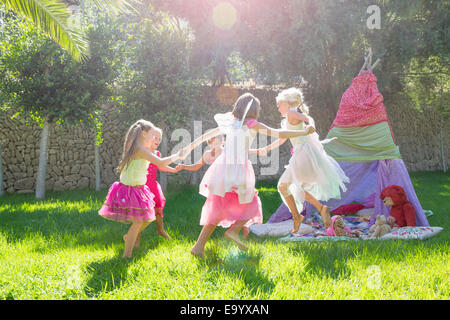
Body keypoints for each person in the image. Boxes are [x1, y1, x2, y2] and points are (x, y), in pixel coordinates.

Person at [180, 92, 315, 257]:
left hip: (223, 168)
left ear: (238, 106)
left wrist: (188, 148)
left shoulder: (231, 122)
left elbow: (205, 136)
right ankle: (233, 231)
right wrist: (303, 132)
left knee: (218, 205)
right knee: (251, 203)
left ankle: (199, 247)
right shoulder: (251, 124)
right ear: (254, 110)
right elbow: (279, 133)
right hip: (237, 169)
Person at [255, 88, 349, 233]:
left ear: (287, 103)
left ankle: (297, 217)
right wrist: (267, 148)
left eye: (279, 105)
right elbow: (282, 138)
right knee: (296, 188)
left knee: (283, 186)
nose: (278, 108)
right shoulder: (288, 118)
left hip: (303, 153)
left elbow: (307, 118)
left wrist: (311, 125)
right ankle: (319, 208)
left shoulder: (292, 112)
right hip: (302, 153)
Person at [98, 119, 188, 258]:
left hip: (137, 188)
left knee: (146, 218)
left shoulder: (137, 147)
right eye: (153, 135)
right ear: (143, 134)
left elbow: (159, 162)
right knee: (140, 220)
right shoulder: (140, 150)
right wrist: (177, 155)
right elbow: (161, 162)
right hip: (131, 189)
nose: (154, 139)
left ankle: (129, 238)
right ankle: (126, 254)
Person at [145, 127, 182, 240]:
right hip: (143, 185)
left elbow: (160, 165)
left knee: (157, 209)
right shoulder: (143, 152)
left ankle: (160, 230)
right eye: (154, 137)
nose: (157, 140)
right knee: (142, 212)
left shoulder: (157, 153)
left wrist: (173, 170)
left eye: (159, 138)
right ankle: (134, 236)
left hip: (153, 185)